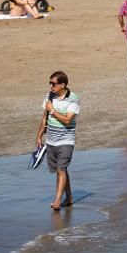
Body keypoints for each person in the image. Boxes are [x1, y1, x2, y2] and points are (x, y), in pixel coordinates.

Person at [34, 71, 80, 211]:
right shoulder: (49, 97)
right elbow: (44, 117)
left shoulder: (73, 98)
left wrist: (52, 110)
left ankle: (57, 201)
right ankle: (69, 197)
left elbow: (67, 120)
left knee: (61, 170)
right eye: (50, 83)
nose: (50, 86)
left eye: (53, 84)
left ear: (62, 85)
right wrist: (39, 136)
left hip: (66, 141)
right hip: (51, 141)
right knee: (62, 170)